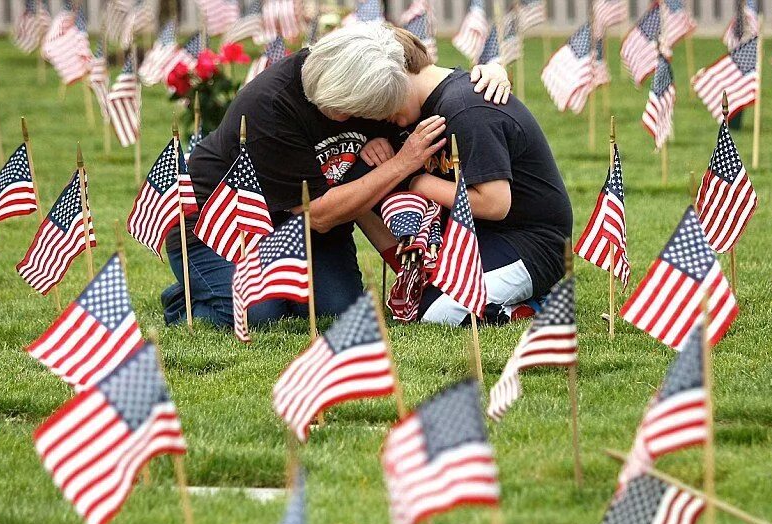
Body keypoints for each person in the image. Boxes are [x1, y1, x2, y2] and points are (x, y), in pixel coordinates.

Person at [163, 23, 512, 327]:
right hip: (221, 223)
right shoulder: (268, 108)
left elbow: (428, 75)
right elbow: (319, 215)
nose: (353, 116)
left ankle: (257, 287)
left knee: (338, 311)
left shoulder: (371, 67)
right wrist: (400, 165)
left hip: (306, 225)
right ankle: (189, 297)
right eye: (341, 110)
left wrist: (483, 76)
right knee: (256, 316)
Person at [362, 29, 573, 326]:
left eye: (379, 99)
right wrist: (373, 140)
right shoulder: (417, 106)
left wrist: (416, 181)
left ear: (398, 73)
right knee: (416, 301)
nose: (377, 114)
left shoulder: (466, 107)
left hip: (529, 244)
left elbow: (495, 203)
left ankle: (532, 304)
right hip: (480, 238)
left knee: (436, 311)